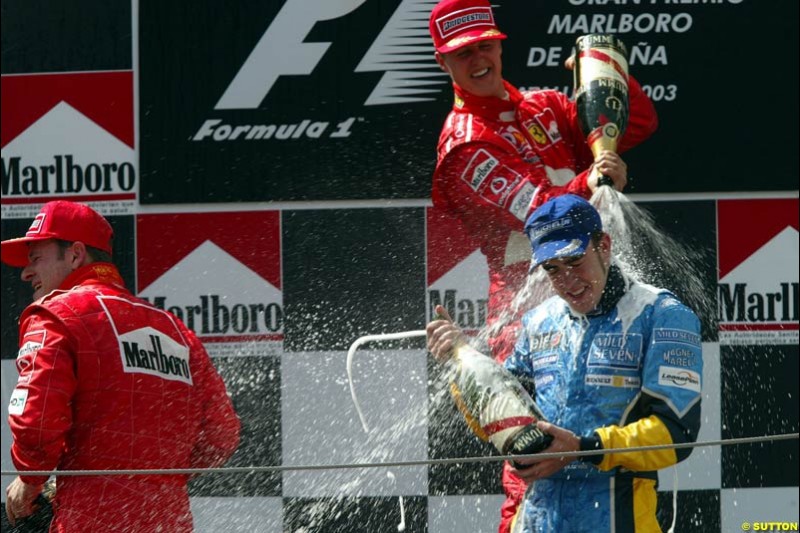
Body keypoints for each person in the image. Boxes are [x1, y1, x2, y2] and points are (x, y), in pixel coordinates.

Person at [428, 0, 658, 527]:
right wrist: (595, 176)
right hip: (529, 316)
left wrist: (602, 79)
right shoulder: (462, 146)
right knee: (534, 466)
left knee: (607, 441)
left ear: (501, 44)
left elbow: (638, 123)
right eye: (464, 54)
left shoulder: (544, 104)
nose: (479, 59)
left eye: (485, 44)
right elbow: (542, 214)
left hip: (596, 300)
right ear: (444, 63)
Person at [427, 195, 702, 532]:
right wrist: (461, 361)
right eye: (553, 269)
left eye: (575, 261)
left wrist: (582, 448)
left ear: (604, 245)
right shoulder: (537, 322)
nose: (567, 280)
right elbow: (501, 421)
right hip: (535, 522)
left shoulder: (661, 315)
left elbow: (677, 434)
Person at [2, 201, 241, 532]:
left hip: (90, 519)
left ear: (75, 254)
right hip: (169, 521)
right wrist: (154, 477)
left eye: (36, 258)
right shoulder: (175, 329)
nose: (26, 272)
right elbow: (222, 435)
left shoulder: (54, 315)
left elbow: (38, 423)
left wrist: (30, 479)